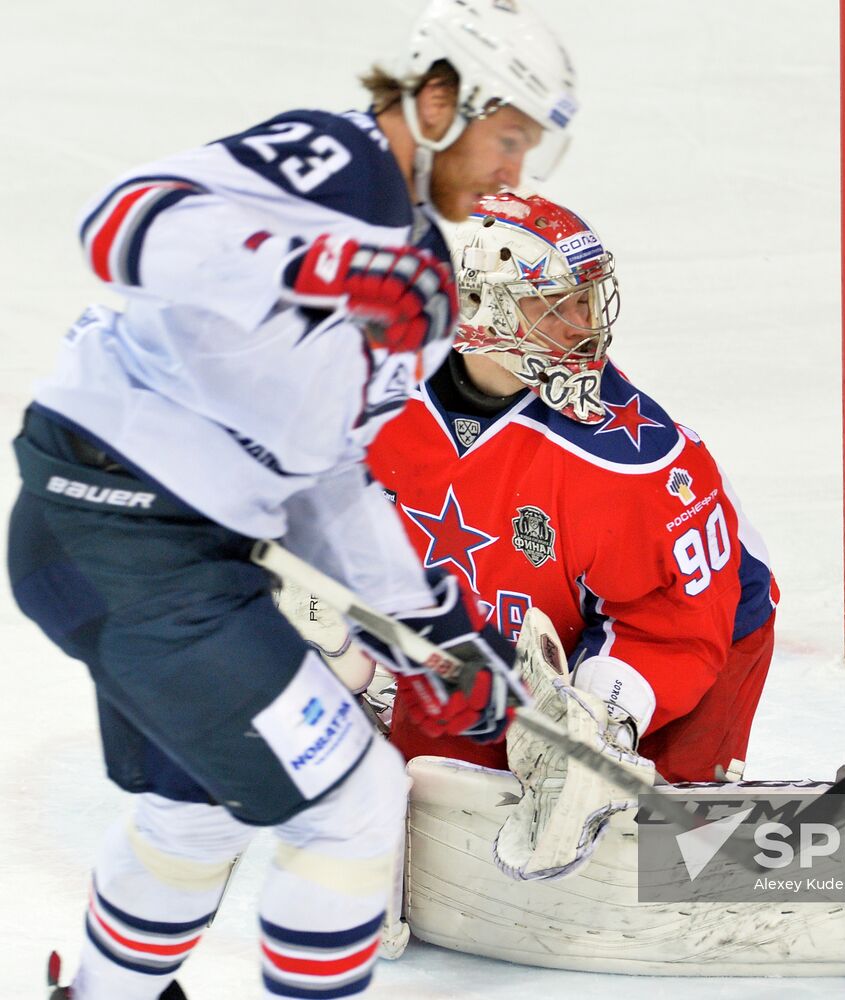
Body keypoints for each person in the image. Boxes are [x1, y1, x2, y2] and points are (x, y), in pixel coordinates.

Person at [7, 3, 576, 998]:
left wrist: (435, 632)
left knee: (198, 808)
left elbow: (324, 477)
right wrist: (322, 267)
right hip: (121, 532)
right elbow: (121, 225)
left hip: (161, 555)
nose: (514, 172)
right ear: (441, 98)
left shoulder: (422, 279)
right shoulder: (332, 160)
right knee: (355, 805)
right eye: (509, 137)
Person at [365, 191, 779, 790]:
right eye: (555, 304)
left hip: (692, 638)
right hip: (489, 637)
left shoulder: (631, 460)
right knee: (435, 789)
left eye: (586, 299)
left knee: (630, 822)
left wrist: (603, 715)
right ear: (473, 305)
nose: (586, 325)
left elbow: (673, 624)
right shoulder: (369, 395)